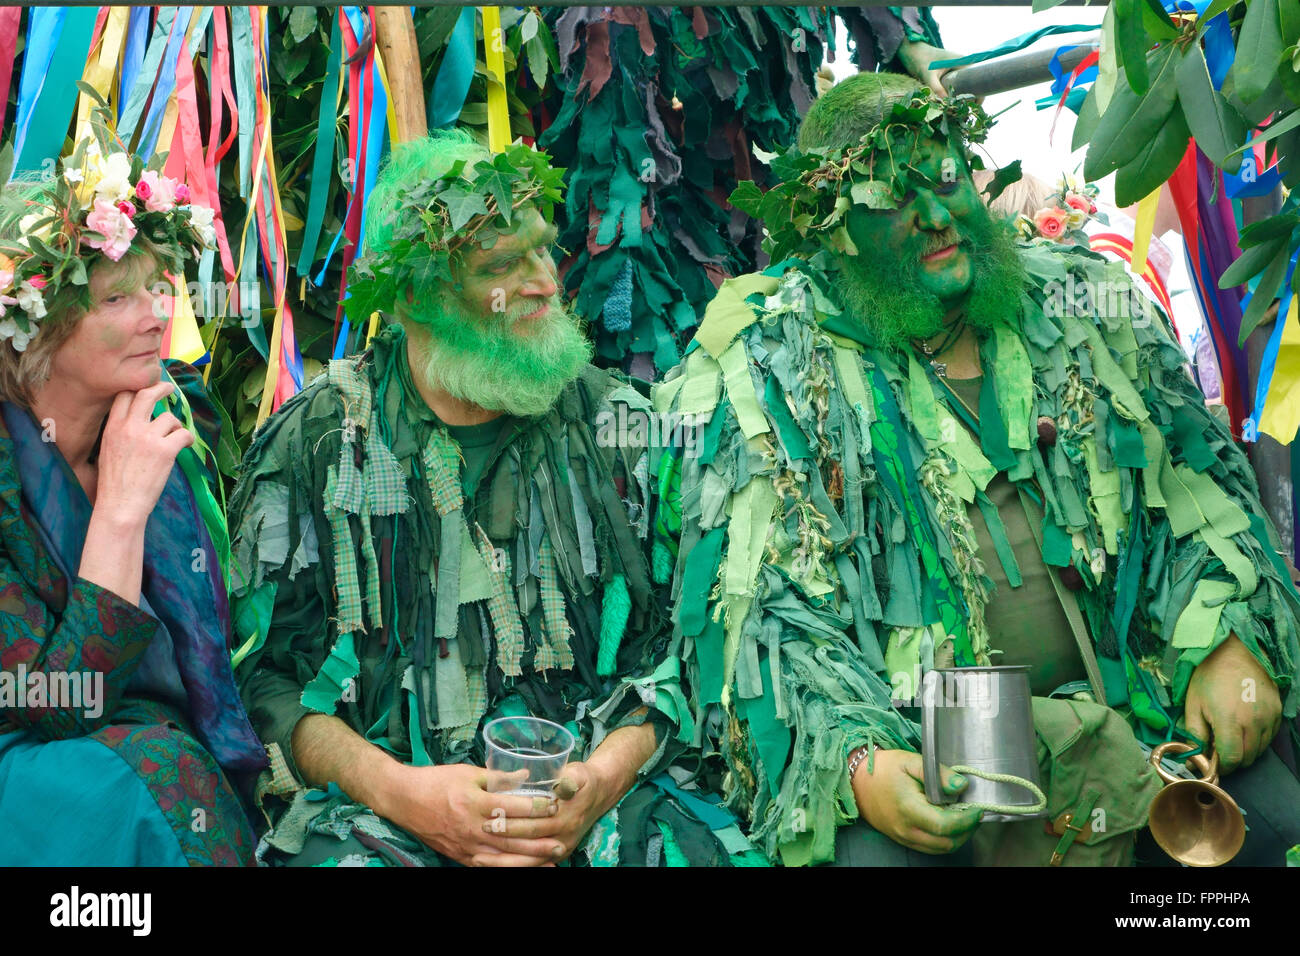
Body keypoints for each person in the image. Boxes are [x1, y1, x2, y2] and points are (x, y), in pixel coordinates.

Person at [655, 71, 1300, 866]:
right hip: (922, 760)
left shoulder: (1086, 299)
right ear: (834, 228)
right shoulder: (761, 365)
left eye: (947, 178)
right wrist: (855, 764)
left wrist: (1225, 636)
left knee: (1273, 824)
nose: (935, 216)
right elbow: (757, 616)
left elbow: (1201, 493)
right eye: (892, 198)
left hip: (1144, 719)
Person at [229, 130, 759, 867]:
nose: (545, 282)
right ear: (416, 295)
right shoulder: (317, 442)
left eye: (544, 249)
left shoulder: (623, 426)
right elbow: (267, 679)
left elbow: (690, 643)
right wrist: (399, 790)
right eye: (502, 265)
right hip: (386, 810)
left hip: (609, 799)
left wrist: (601, 779)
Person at [0, 127, 267, 865]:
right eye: (117, 297)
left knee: (164, 762)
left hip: (132, 726)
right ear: (34, 332)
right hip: (27, 746)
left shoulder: (171, 420)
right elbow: (60, 705)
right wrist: (118, 510)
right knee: (119, 784)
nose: (157, 316)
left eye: (155, 288)